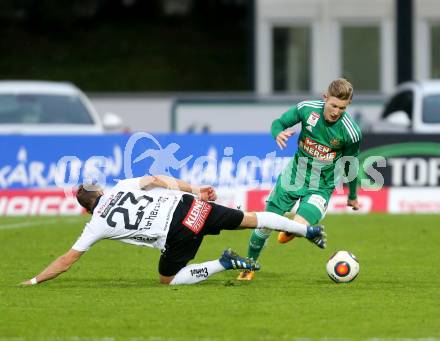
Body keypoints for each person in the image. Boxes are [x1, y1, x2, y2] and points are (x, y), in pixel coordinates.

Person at [21, 174, 326, 286]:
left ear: (86, 209)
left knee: (167, 279)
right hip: (190, 206)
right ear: (100, 189)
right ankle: (307, 230)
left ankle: (224, 262)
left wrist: (35, 279)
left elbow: (68, 259)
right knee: (252, 218)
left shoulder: (96, 223)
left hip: (176, 231)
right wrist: (194, 189)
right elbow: (157, 178)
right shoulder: (122, 185)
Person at [238, 78, 361, 281]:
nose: (336, 111)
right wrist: (278, 134)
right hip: (293, 178)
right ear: (325, 98)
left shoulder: (351, 132)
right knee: (263, 227)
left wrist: (353, 196)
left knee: (300, 224)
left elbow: (351, 164)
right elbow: (279, 122)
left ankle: (291, 230)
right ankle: (249, 265)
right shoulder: (307, 109)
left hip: (321, 186)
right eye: (333, 105)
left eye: (342, 108)